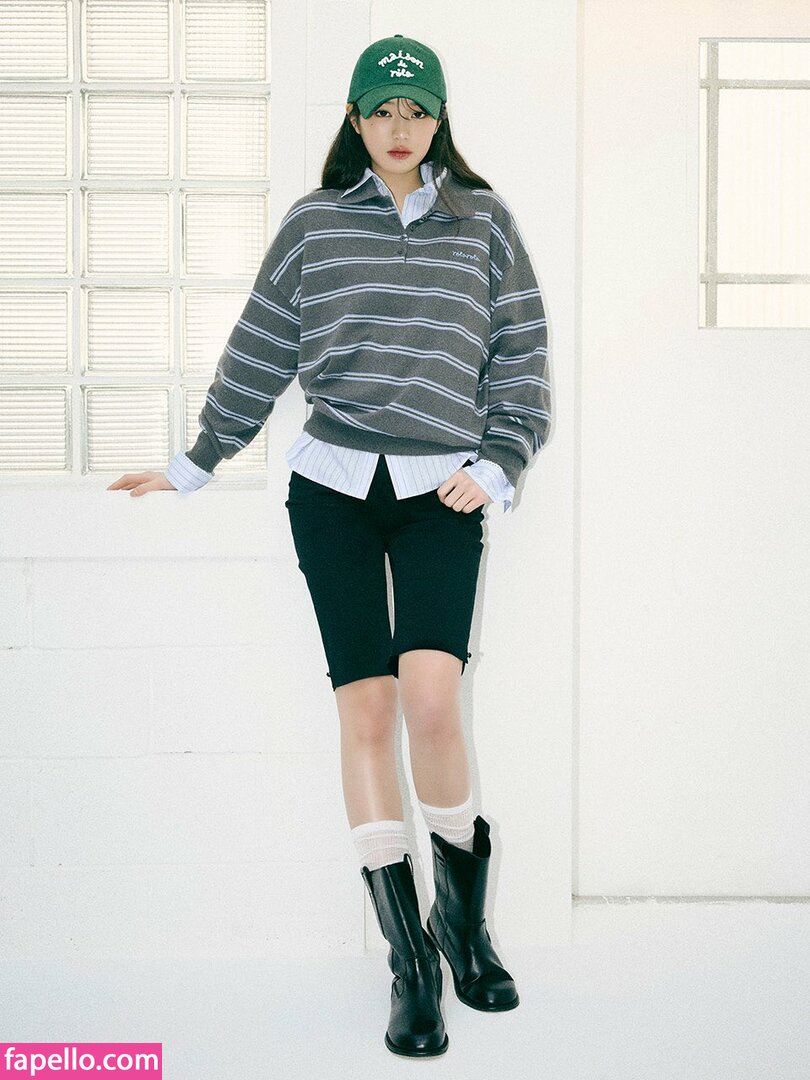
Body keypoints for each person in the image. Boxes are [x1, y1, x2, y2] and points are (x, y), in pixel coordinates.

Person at [108, 33, 552, 1059]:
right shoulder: (315, 223)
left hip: (443, 491)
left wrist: (498, 462)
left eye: (416, 110)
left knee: (433, 699)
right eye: (381, 110)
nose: (399, 128)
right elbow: (263, 344)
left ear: (439, 120)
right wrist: (198, 457)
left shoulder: (483, 222)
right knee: (368, 710)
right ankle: (410, 961)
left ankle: (463, 925)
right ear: (355, 119)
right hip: (333, 494)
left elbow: (521, 352)